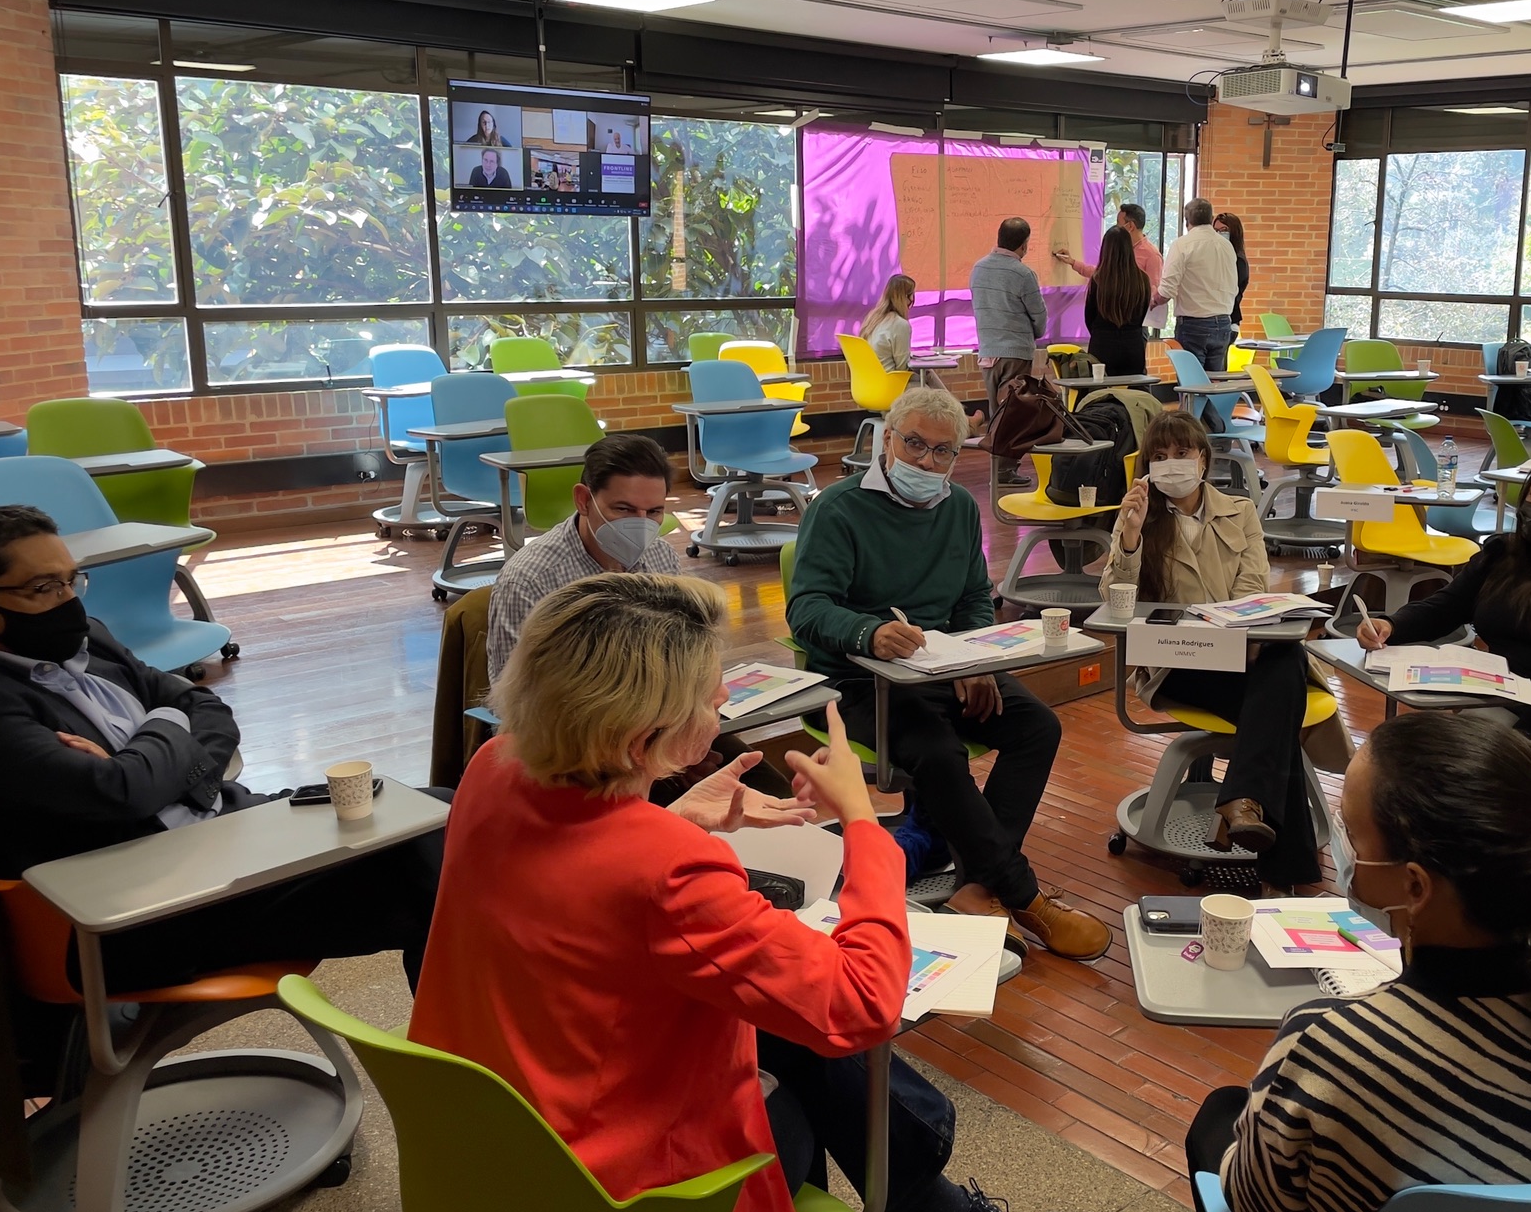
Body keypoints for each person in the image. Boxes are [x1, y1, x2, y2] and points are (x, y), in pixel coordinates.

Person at [412, 573, 1074, 1212]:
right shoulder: (663, 868)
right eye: (706, 693)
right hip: (621, 1186)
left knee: (774, 1026)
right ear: (641, 736)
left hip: (495, 1130)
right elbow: (860, 1005)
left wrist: (670, 813)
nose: (721, 702)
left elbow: (576, 882)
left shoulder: (490, 769)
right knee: (797, 1077)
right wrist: (863, 825)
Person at [1187, 714, 1531, 1212]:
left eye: (1351, 831)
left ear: (1414, 886)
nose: (1345, 852)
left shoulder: (1329, 1044)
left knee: (1220, 1117)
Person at [0, 506, 443, 992]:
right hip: (149, 911)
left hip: (224, 832)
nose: (66, 601)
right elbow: (118, 790)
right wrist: (163, 724)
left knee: (445, 809)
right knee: (439, 881)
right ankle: (470, 1049)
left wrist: (145, 763)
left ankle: (469, 1046)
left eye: (70, 581)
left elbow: (205, 707)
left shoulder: (90, 640)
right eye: (43, 588)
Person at [786, 387, 1110, 961]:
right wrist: (868, 632)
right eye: (914, 445)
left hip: (945, 665)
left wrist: (977, 659)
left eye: (943, 452)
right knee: (938, 753)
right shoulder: (837, 509)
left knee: (1037, 728)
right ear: (887, 440)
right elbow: (807, 608)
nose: (927, 462)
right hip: (859, 679)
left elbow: (973, 600)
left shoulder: (959, 507)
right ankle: (1022, 894)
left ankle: (977, 889)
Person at [487, 432, 802, 801]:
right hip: (587, 759)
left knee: (772, 795)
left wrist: (685, 745)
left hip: (665, 730)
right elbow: (522, 708)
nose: (641, 524)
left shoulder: (659, 558)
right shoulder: (530, 579)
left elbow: (688, 661)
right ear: (584, 499)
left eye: (653, 512)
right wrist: (659, 756)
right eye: (623, 510)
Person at [1098, 411, 1325, 887]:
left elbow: (1254, 589)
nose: (1172, 464)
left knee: (1283, 663)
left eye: (1182, 453)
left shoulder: (1239, 511)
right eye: (1159, 457)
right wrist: (1132, 535)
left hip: (1242, 655)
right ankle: (1276, 851)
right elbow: (1116, 600)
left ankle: (1240, 805)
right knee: (1284, 677)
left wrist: (1235, 634)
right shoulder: (1139, 517)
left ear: (1203, 458)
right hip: (1178, 659)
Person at [1355, 452, 1531, 790]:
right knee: (1441, 768)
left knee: (1516, 784)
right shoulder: (1502, 554)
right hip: (1513, 694)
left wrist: (1521, 736)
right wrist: (1392, 625)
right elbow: (1447, 606)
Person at [969, 217, 1049, 484]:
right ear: (1024, 245)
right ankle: (1004, 472)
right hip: (1015, 351)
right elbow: (1038, 315)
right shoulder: (1023, 274)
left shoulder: (978, 268)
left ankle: (997, 469)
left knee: (996, 412)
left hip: (988, 352)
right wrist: (1036, 333)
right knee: (1013, 413)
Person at [860, 273, 986, 433]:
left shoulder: (874, 320)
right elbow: (902, 366)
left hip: (873, 386)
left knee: (927, 374)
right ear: (907, 297)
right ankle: (964, 423)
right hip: (892, 385)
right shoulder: (899, 324)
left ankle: (965, 420)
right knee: (935, 395)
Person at [1052, 203, 1165, 342]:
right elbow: (1102, 273)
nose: (1116, 227)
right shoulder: (1117, 250)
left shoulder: (1152, 255)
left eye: (1118, 223)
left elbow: (1152, 292)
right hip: (1108, 324)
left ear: (1130, 226)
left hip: (1134, 327)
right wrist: (1073, 263)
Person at [1164, 198, 1240, 375]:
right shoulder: (1226, 246)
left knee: (1192, 383)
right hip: (1223, 322)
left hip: (1193, 324)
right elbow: (1234, 286)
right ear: (1210, 217)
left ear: (1186, 220)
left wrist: (1153, 301)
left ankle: (1192, 405)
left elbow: (1168, 287)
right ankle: (1213, 405)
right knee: (1215, 384)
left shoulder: (1182, 244)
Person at [1075, 225, 1152, 377]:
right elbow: (1142, 315)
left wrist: (1101, 333)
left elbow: (1089, 317)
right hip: (1133, 346)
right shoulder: (1142, 279)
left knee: (1101, 396)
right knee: (1133, 397)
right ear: (1129, 249)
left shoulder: (1098, 279)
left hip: (1102, 346)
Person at [1214, 212, 1250, 338]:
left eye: (1224, 230)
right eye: (1216, 231)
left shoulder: (1238, 260)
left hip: (1228, 320)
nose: (1219, 234)